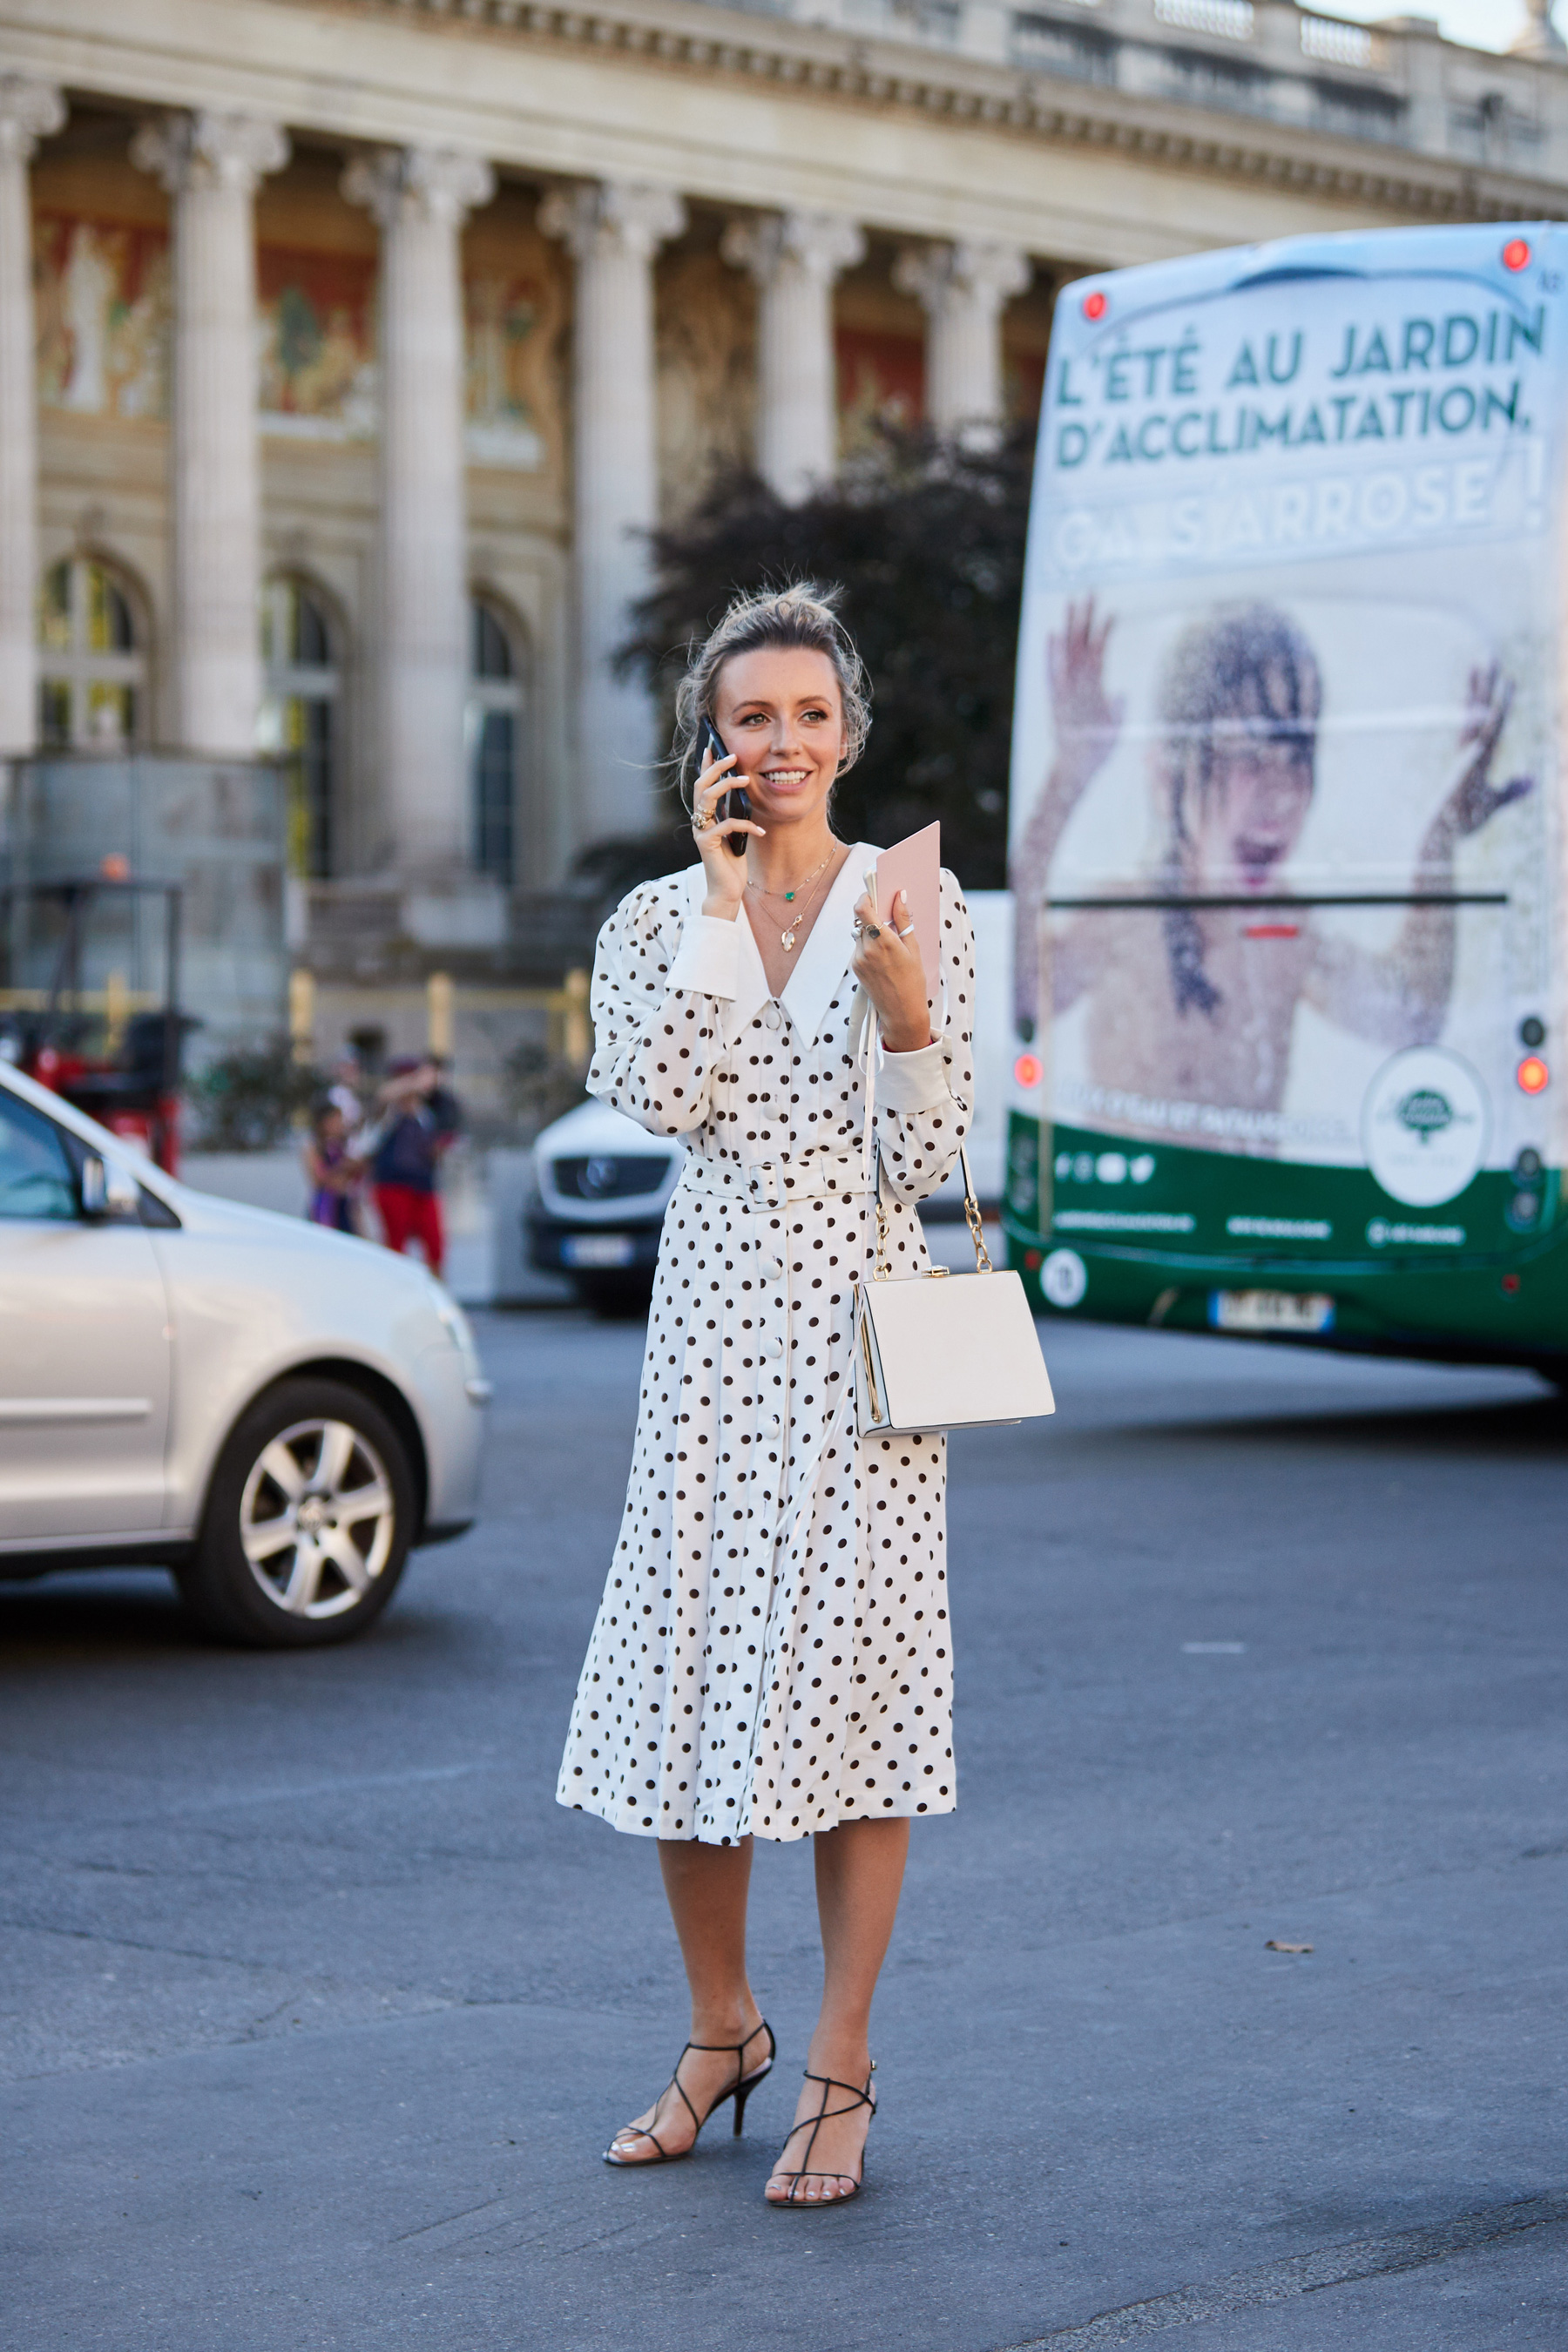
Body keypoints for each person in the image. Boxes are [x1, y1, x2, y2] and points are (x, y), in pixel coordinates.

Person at [555, 584, 977, 2206]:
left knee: (858, 1709)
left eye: (809, 715)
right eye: (753, 717)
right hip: (712, 1357)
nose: (783, 741)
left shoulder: (917, 901)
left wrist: (906, 1011)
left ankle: (842, 2062)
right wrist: (729, 911)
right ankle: (720, 2029)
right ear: (711, 741)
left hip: (865, 1352)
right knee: (693, 1696)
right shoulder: (662, 920)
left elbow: (924, 1166)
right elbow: (662, 1100)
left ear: (850, 734)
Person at [1010, 596, 1532, 1141]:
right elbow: (1023, 999)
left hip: (1250, 1217)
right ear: (1168, 774)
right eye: (1247, 755)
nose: (1280, 794)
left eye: (1296, 757)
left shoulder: (1287, 930)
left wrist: (1438, 842)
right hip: (1132, 1213)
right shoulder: (1122, 920)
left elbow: (1410, 1018)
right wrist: (1068, 777)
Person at [367, 1057, 446, 1279]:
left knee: (435, 1244)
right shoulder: (390, 1111)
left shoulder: (426, 1114)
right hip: (393, 1183)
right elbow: (384, 1095)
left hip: (423, 1184)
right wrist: (418, 1079)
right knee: (396, 1247)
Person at [301, 1098, 364, 1233]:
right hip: (325, 1207)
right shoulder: (313, 1146)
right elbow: (318, 1178)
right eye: (335, 1120)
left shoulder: (343, 1145)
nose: (340, 1124)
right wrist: (344, 1167)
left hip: (345, 1205)